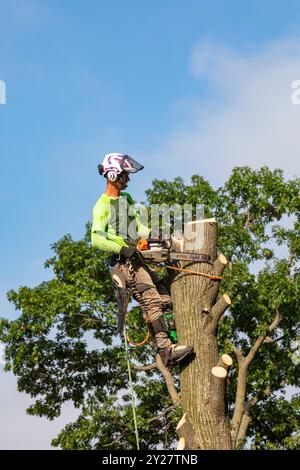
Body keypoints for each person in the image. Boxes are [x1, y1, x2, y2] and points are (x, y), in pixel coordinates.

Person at [91, 153, 193, 366]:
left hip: (137, 260)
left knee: (165, 295)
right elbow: (96, 238)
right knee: (152, 299)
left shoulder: (126, 200)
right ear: (113, 175)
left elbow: (137, 227)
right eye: (125, 175)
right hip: (124, 263)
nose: (128, 179)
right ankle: (166, 350)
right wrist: (122, 248)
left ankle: (171, 341)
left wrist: (157, 235)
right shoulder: (101, 205)